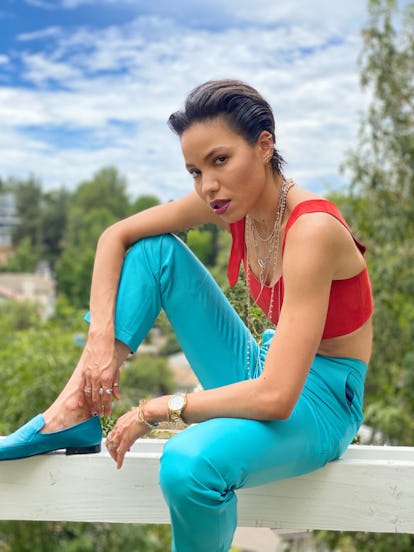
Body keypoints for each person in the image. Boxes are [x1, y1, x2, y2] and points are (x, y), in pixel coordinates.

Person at [0, 79, 373, 551]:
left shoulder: (312, 231)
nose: (208, 185)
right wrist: (100, 342)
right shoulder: (230, 205)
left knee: (187, 463)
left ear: (264, 146)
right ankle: (74, 409)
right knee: (155, 252)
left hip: (317, 404)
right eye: (195, 171)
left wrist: (159, 408)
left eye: (220, 161)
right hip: (263, 365)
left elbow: (278, 397)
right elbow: (115, 236)